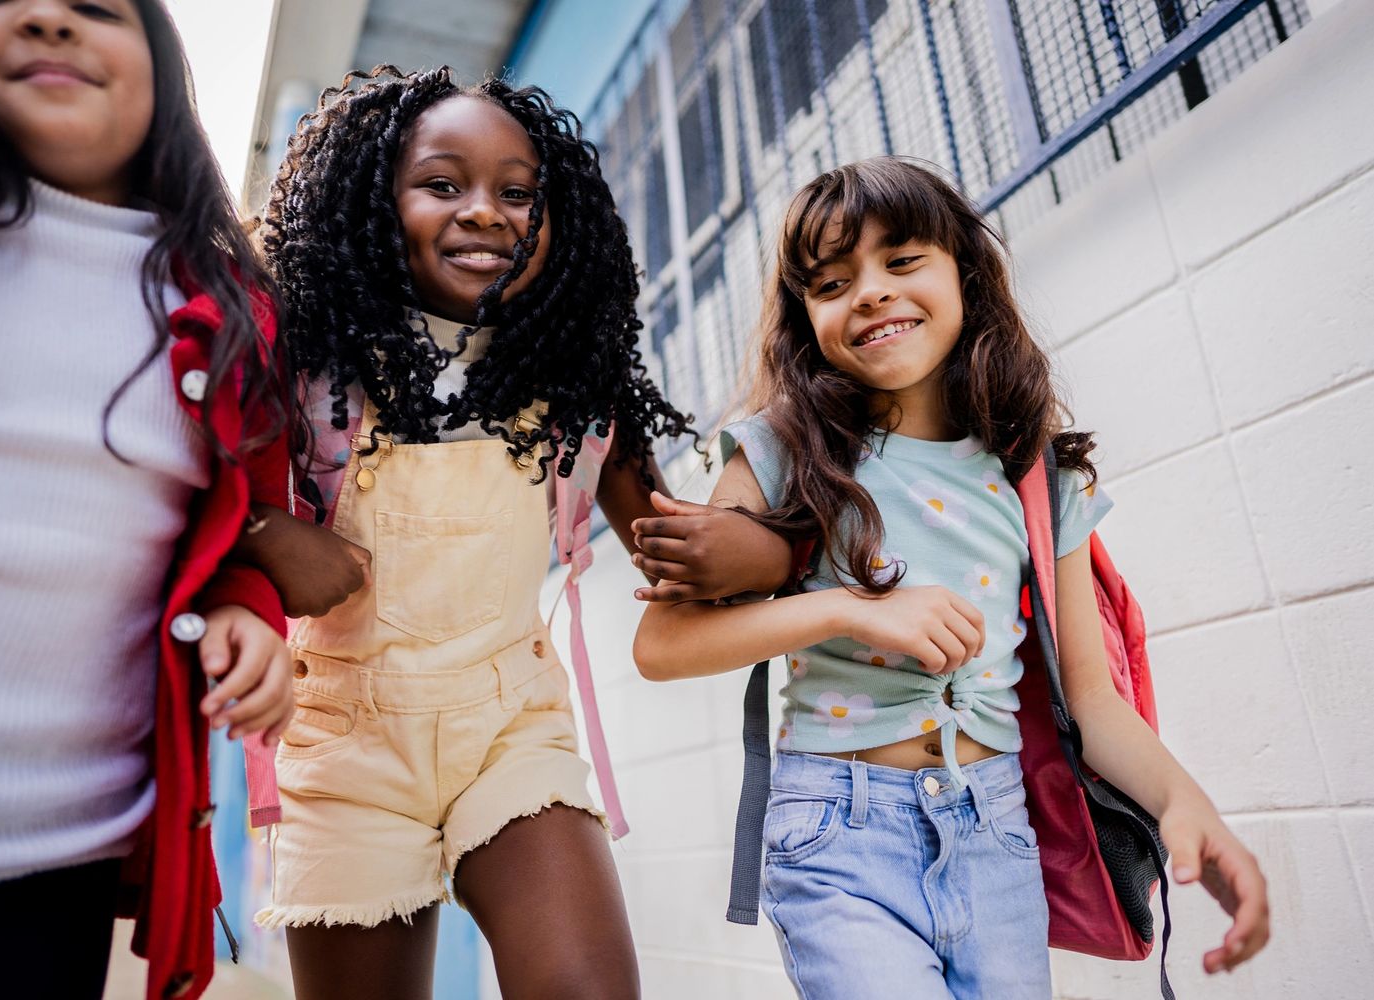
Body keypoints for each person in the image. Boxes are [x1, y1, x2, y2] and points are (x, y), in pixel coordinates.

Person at [632, 157, 1270, 999]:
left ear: (964, 274)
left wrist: (1188, 806)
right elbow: (662, 644)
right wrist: (851, 610)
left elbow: (1093, 700)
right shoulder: (780, 448)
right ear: (805, 316)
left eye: (901, 262)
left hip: (996, 833)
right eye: (831, 282)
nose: (868, 292)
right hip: (839, 833)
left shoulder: (1037, 473)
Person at [246, 66, 793, 999]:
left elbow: (683, 550)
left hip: (510, 724)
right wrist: (263, 536)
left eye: (516, 193)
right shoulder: (308, 373)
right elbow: (190, 497)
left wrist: (763, 551)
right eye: (441, 185)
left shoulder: (572, 382)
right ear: (372, 205)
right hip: (344, 741)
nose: (486, 213)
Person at [0, 2, 354, 997]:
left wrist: (247, 612)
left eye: (97, 9)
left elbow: (234, 531)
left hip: (56, 866)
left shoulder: (228, 305)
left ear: (162, 84)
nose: (51, 19)